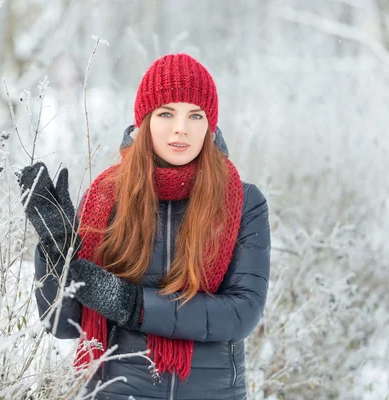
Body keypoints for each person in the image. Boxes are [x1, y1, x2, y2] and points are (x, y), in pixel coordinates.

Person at [19, 53, 271, 400]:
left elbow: (241, 314)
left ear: (209, 125)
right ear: (145, 121)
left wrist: (131, 305)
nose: (181, 128)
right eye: (167, 113)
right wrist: (55, 250)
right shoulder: (106, 198)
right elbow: (63, 324)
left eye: (195, 115)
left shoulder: (243, 202)